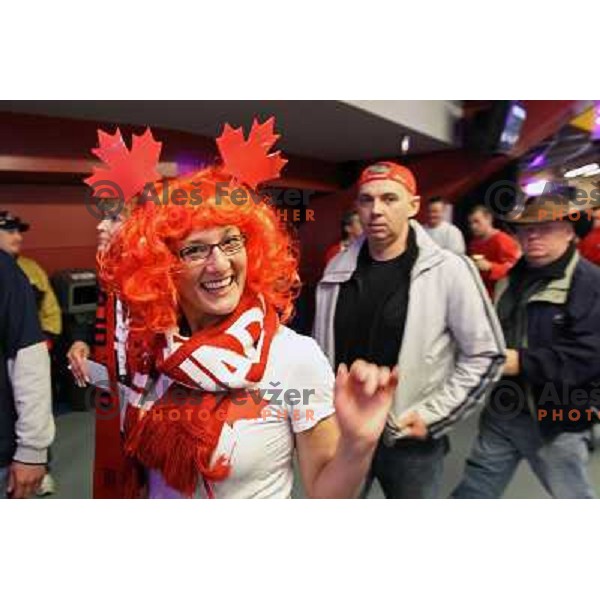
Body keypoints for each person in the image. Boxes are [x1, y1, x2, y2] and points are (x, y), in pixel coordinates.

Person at [85, 120, 398, 499]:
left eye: (231, 242)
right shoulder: (150, 348)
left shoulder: (292, 357)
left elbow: (325, 495)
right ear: (163, 265)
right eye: (195, 249)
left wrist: (357, 446)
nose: (219, 264)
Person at [313, 161, 505, 499]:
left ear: (413, 206)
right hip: (346, 433)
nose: (376, 210)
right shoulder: (336, 270)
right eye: (367, 200)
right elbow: (321, 352)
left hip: (408, 439)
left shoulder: (449, 269)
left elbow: (486, 353)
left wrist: (432, 417)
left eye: (390, 199)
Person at [453, 193, 600, 499]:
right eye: (525, 227)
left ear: (570, 231)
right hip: (503, 410)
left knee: (571, 496)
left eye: (546, 226)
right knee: (474, 491)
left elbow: (589, 355)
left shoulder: (590, 283)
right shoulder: (512, 279)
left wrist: (520, 362)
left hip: (557, 420)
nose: (532, 234)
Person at [0, 210, 61, 496]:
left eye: (18, 231)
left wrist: (47, 337)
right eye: (10, 231)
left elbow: (49, 308)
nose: (17, 237)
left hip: (28, 350)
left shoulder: (23, 270)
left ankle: (41, 466)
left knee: (32, 406)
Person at [468, 205, 521, 296]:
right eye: (470, 223)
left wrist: (490, 267)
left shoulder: (503, 240)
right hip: (481, 293)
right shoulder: (474, 243)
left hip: (500, 294)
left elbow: (516, 270)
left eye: (477, 222)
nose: (473, 226)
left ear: (488, 219)